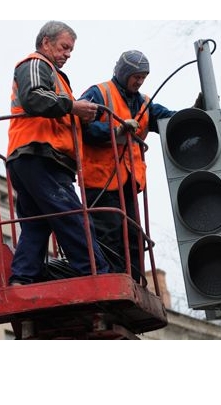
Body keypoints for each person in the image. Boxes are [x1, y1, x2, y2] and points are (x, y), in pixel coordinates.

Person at [6, 21, 110, 286]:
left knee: (37, 223)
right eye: (64, 47)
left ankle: (23, 277)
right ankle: (95, 272)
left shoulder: (55, 75)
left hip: (34, 156)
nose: (67, 54)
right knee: (70, 214)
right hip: (40, 154)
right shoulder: (34, 64)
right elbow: (34, 98)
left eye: (70, 51)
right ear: (46, 43)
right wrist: (74, 107)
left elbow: (56, 110)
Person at [79, 50, 177, 282]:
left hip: (128, 183)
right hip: (100, 182)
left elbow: (165, 118)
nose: (140, 80)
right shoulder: (99, 93)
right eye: (136, 75)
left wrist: (191, 114)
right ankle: (112, 282)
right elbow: (80, 127)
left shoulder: (143, 103)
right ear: (124, 73)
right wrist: (116, 132)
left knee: (133, 237)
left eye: (144, 76)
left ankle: (132, 283)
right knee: (108, 235)